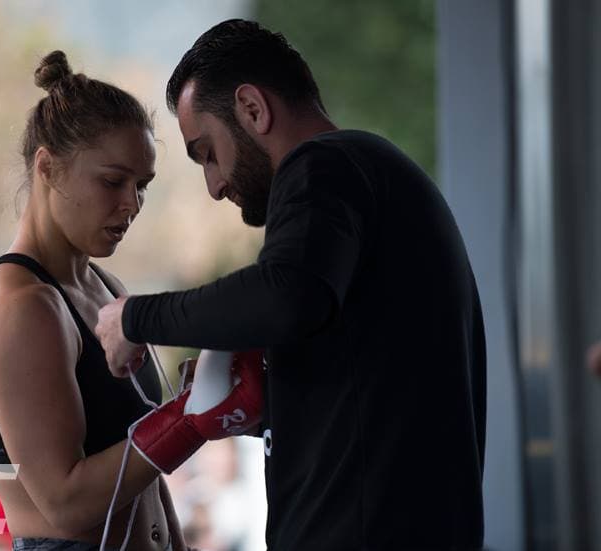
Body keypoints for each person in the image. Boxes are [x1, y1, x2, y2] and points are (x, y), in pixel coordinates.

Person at [95, 19, 487, 550]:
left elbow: (285, 295)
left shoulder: (323, 166)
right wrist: (266, 396)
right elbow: (362, 375)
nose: (214, 185)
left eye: (207, 152)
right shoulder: (370, 178)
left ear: (253, 109)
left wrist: (136, 318)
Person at [0, 50, 239, 551]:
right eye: (112, 181)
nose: (131, 204)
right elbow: (65, 506)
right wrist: (190, 418)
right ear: (47, 167)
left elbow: (141, 483)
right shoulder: (20, 306)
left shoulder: (105, 288)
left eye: (142, 185)